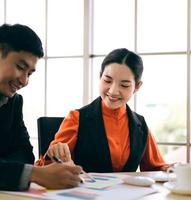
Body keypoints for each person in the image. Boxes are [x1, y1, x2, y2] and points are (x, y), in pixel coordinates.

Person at [42, 48, 170, 172]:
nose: (113, 91)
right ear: (100, 76)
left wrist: (171, 169)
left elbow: (155, 167)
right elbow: (45, 168)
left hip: (127, 194)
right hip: (85, 192)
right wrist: (57, 156)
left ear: (137, 86)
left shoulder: (140, 125)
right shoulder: (76, 118)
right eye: (107, 80)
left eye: (124, 85)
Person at [0, 23, 82, 191]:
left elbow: (24, 154)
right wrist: (36, 174)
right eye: (20, 67)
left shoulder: (14, 102)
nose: (24, 81)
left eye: (29, 73)